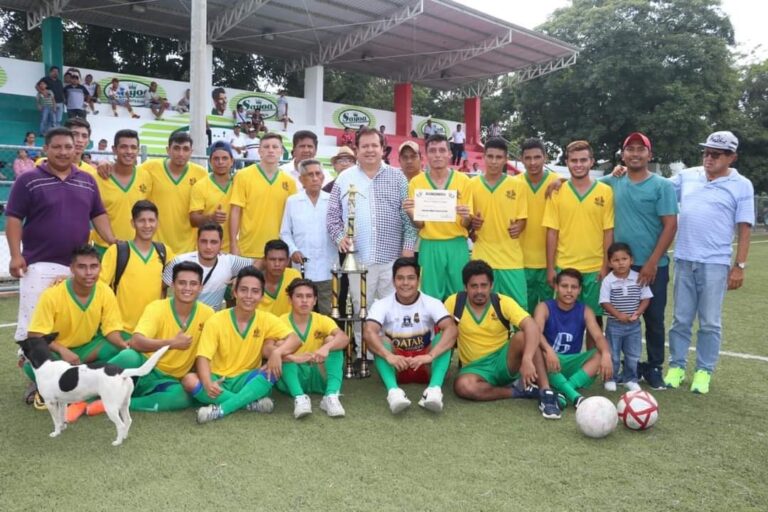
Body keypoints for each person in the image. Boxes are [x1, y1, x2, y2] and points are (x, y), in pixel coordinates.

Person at [6, 128, 115, 348]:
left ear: (75, 149)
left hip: (76, 267)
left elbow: (98, 214)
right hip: (38, 264)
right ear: (45, 149)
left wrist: (114, 241)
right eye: (56, 147)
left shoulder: (87, 180)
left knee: (65, 326)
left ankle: (63, 376)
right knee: (34, 326)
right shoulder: (28, 180)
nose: (63, 152)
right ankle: (33, 374)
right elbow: (14, 219)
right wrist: (15, 255)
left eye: (68, 146)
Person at [665, 131, 754, 394]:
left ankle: (703, 371)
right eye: (706, 152)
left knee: (710, 322)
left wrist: (739, 266)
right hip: (683, 259)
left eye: (716, 154)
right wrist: (625, 171)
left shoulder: (742, 185)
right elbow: (656, 186)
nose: (708, 158)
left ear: (732, 157)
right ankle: (677, 367)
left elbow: (745, 228)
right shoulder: (688, 175)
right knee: (680, 319)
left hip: (715, 264)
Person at [327, 127, 418, 359]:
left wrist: (408, 248)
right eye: (364, 146)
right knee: (360, 308)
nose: (369, 150)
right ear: (357, 149)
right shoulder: (344, 178)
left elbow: (407, 215)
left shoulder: (397, 177)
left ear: (383, 149)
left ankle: (387, 350)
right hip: (358, 258)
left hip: (392, 258)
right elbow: (332, 216)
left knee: (391, 307)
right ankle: (363, 353)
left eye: (374, 145)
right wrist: (340, 238)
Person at [601, 132, 678, 389]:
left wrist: (652, 262)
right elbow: (583, 185)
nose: (635, 153)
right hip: (620, 267)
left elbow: (670, 225)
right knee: (618, 320)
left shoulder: (662, 186)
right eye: (630, 149)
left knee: (653, 319)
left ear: (649, 154)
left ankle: (654, 367)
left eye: (640, 149)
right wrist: (557, 183)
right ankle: (622, 367)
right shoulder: (614, 181)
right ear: (623, 154)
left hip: (651, 266)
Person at [87, 261, 214, 415]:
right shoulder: (157, 308)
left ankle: (117, 403)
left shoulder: (208, 315)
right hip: (141, 369)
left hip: (167, 380)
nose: (187, 288)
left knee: (181, 397)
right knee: (129, 356)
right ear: (172, 285)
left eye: (193, 284)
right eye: (182, 283)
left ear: (201, 287)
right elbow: (136, 342)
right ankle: (84, 391)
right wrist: (171, 343)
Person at [445, 260, 562, 419]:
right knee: (463, 387)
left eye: (484, 285)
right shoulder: (454, 302)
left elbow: (531, 325)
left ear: (491, 285)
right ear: (465, 287)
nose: (479, 291)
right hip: (475, 368)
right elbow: (442, 333)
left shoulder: (502, 302)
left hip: (504, 361)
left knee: (522, 336)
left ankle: (546, 393)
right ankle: (518, 391)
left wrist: (527, 358)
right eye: (474, 286)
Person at [24, 245, 128, 417]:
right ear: (72, 269)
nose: (89, 272)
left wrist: (124, 344)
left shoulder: (105, 291)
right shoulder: (52, 295)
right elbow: (35, 336)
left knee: (124, 351)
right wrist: (62, 350)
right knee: (31, 365)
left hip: (87, 350)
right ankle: (83, 388)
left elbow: (111, 330)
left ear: (100, 268)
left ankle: (74, 390)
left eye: (93, 266)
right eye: (82, 267)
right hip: (58, 355)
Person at [192, 266, 301, 423]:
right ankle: (249, 403)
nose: (249, 296)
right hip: (219, 379)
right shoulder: (216, 320)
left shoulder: (266, 319)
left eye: (255, 291)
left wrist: (277, 353)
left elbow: (295, 339)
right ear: (235, 292)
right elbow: (203, 357)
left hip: (247, 379)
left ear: (262, 296)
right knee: (190, 380)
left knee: (272, 371)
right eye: (244, 290)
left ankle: (221, 410)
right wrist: (208, 382)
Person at [364, 257, 458, 414]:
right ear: (393, 281)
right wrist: (388, 356)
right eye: (400, 278)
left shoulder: (432, 302)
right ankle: (393, 392)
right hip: (396, 366)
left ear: (418, 280)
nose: (405, 283)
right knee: (379, 339)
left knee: (445, 335)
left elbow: (452, 330)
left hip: (425, 364)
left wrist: (430, 356)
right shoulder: (381, 304)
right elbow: (368, 331)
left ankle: (434, 390)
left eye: (411, 278)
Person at [543, 140, 614, 347]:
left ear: (591, 162)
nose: (579, 164)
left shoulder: (605, 192)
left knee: (594, 320)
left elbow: (607, 232)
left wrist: (605, 265)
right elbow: (552, 232)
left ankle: (591, 366)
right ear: (567, 162)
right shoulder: (557, 191)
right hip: (565, 266)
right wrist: (550, 267)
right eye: (574, 160)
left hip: (594, 268)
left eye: (583, 160)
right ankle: (562, 363)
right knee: (563, 320)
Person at [405, 134, 472, 300]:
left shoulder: (464, 181)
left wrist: (465, 216)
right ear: (426, 155)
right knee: (430, 297)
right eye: (433, 151)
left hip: (456, 244)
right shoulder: (416, 182)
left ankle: (457, 327)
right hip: (429, 245)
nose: (437, 155)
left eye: (442, 150)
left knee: (459, 295)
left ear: (449, 154)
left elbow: (467, 223)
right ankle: (434, 327)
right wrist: (411, 213)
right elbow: (420, 224)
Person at [534, 268, 613, 408]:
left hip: (571, 362)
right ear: (556, 287)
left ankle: (565, 390)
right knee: (537, 350)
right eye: (564, 286)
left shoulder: (586, 310)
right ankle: (575, 396)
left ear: (580, 290)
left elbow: (599, 337)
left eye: (574, 287)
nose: (569, 291)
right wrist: (548, 350)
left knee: (600, 353)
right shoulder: (544, 307)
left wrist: (606, 354)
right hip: (548, 362)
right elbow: (536, 333)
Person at [469, 138, 529, 309]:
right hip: (482, 259)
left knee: (519, 310)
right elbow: (466, 225)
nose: (494, 161)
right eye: (490, 156)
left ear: (506, 159)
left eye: (499, 157)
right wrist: (472, 225)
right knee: (483, 311)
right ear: (484, 156)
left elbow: (523, 219)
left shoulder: (518, 186)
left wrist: (520, 226)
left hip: (511, 260)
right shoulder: (471, 185)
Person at [277, 279, 350, 418]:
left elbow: (344, 338)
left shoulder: (322, 319)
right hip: (294, 375)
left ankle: (331, 396)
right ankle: (299, 398)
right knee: (281, 348)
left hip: (317, 372)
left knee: (332, 341)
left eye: (309, 296)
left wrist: (326, 347)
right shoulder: (280, 321)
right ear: (290, 300)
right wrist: (295, 358)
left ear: (315, 300)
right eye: (299, 296)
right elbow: (271, 351)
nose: (304, 300)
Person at [100, 200, 172, 335]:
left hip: (153, 329)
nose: (147, 225)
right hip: (122, 329)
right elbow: (98, 286)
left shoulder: (165, 251)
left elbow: (177, 280)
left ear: (157, 223)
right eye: (141, 221)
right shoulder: (117, 251)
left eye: (151, 220)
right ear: (133, 223)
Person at [280, 159, 338, 314]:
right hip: (302, 268)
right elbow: (285, 232)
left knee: (328, 313)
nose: (314, 178)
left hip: (328, 268)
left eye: (318, 174)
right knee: (302, 311)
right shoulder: (292, 202)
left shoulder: (332, 201)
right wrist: (292, 251)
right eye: (309, 174)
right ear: (301, 179)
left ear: (323, 177)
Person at [229, 132, 297, 263]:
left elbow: (292, 219)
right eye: (266, 147)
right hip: (248, 249)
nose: (270, 150)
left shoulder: (289, 182)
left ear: (281, 151)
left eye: (275, 147)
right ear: (259, 151)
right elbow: (235, 211)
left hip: (278, 251)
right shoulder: (243, 176)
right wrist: (233, 244)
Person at [139, 132, 208, 254]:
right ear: (168, 150)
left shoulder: (201, 174)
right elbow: (127, 173)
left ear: (191, 152)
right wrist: (106, 165)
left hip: (188, 247)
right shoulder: (149, 168)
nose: (181, 154)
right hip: (156, 246)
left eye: (185, 149)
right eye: (176, 148)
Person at [514, 138, 561, 313]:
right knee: (524, 314)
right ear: (521, 159)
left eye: (537, 157)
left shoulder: (557, 181)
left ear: (545, 158)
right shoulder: (514, 183)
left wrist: (562, 181)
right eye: (528, 158)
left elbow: (580, 183)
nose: (532, 162)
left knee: (549, 315)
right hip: (521, 262)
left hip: (549, 263)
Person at [598, 243, 652, 392]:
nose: (621, 263)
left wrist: (638, 313)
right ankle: (610, 378)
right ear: (609, 263)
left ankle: (630, 378)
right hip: (615, 325)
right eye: (616, 260)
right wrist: (619, 315)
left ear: (631, 260)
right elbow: (604, 302)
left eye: (624, 259)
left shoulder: (638, 278)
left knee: (633, 354)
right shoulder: (608, 281)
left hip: (634, 326)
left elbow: (646, 298)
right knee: (613, 355)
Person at [163, 223, 254, 310]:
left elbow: (262, 263)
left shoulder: (228, 262)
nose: (208, 247)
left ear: (221, 243)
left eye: (214, 242)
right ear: (197, 241)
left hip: (212, 321)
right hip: (182, 319)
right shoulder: (179, 262)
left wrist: (242, 277)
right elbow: (161, 287)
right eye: (204, 241)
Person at [91, 129, 153, 255]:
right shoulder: (97, 177)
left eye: (133, 147)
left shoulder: (146, 176)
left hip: (136, 249)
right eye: (124, 147)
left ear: (138, 150)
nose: (129, 151)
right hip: (104, 249)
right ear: (114, 149)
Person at [190, 141, 234, 252]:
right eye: (216, 159)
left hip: (236, 248)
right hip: (209, 249)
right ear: (210, 162)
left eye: (225, 158)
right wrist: (211, 218)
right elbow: (193, 220)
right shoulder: (200, 186)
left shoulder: (240, 183)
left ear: (232, 161)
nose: (220, 162)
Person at [258, 239, 302, 316]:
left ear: (288, 261)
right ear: (265, 260)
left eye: (281, 260)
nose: (277, 264)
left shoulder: (294, 276)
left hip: (287, 327)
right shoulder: (254, 281)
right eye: (272, 259)